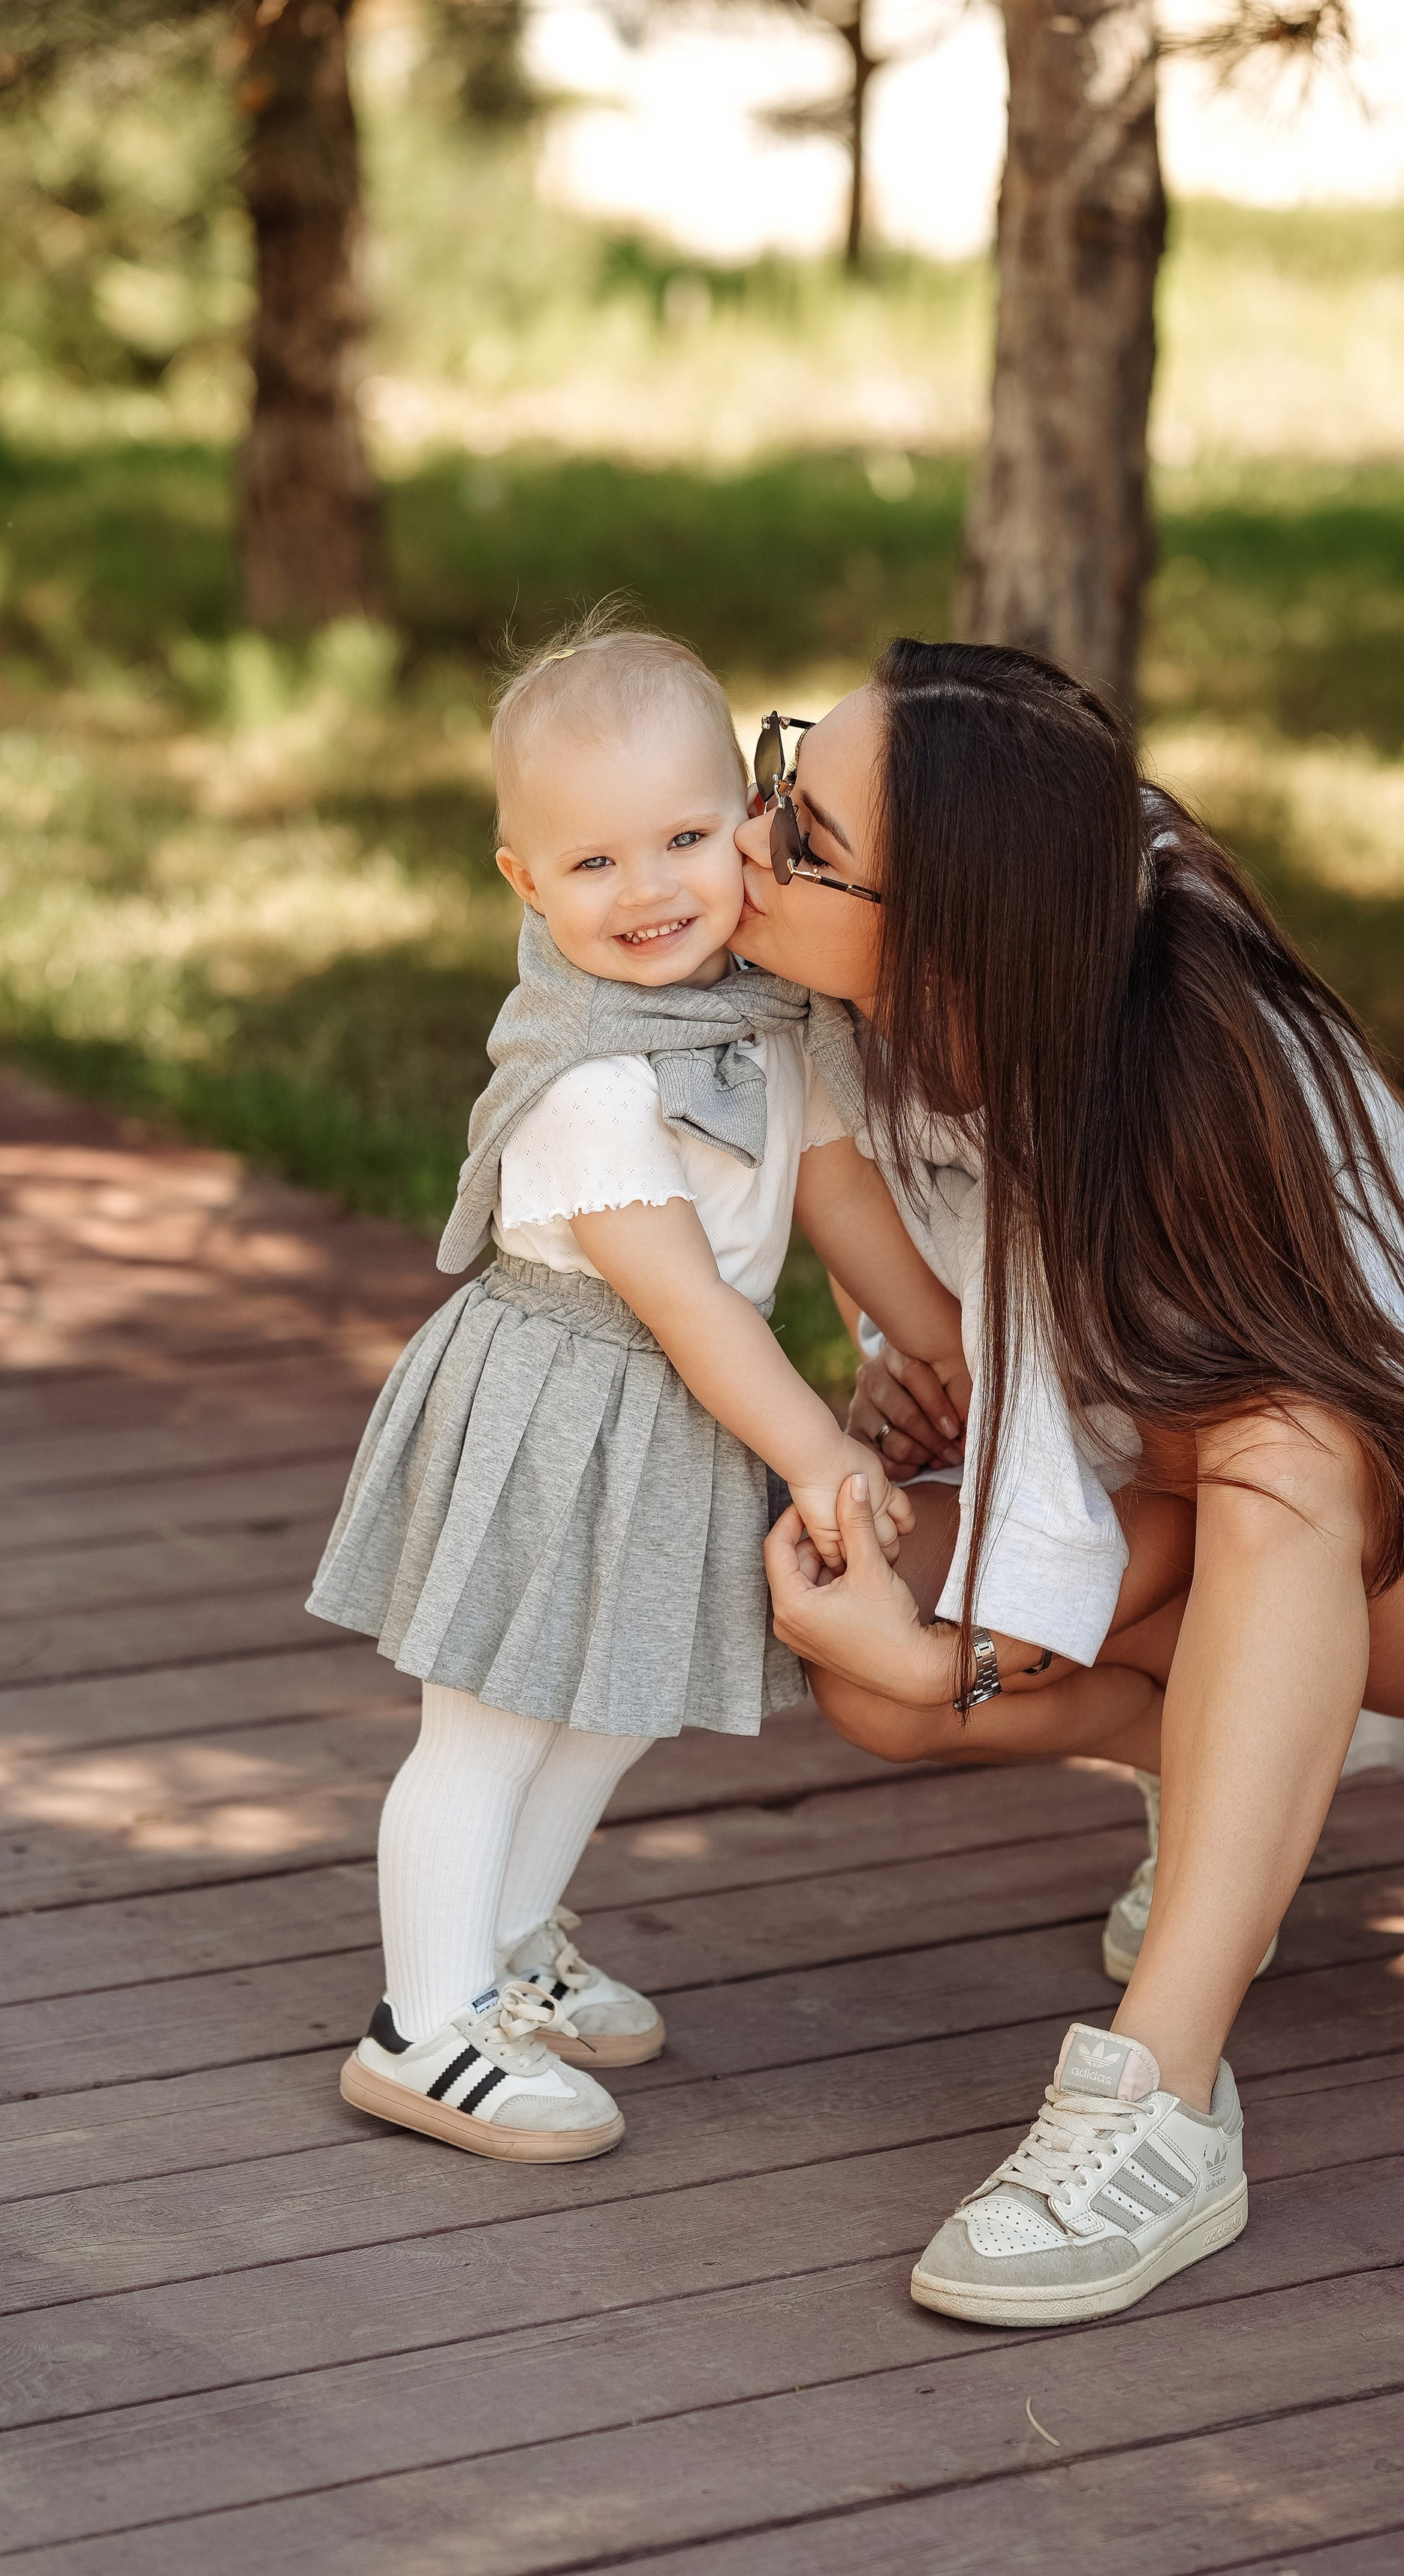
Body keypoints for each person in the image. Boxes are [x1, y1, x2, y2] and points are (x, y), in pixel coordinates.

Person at [733, 638, 1404, 2327]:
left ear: (949, 943)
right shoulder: (929, 994)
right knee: (856, 1656)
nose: (746, 840)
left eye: (799, 835)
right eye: (777, 776)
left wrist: (975, 1652)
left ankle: (1159, 2101)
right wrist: (914, 1399)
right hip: (1186, 1478)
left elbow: (1284, 1428)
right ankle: (1229, 1784)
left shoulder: (1183, 1059)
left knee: (1269, 1442)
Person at [308, 616, 965, 2165]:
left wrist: (943, 1342)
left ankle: (515, 1937)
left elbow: (836, 1192)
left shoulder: (756, 1016)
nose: (654, 889)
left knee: (604, 1714)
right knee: (487, 1721)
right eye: (593, 864)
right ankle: (423, 2022)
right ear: (523, 885)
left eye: (684, 836)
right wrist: (819, 1452)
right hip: (559, 1402)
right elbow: (682, 1301)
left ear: (751, 821)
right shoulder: (591, 1081)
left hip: (673, 1412)